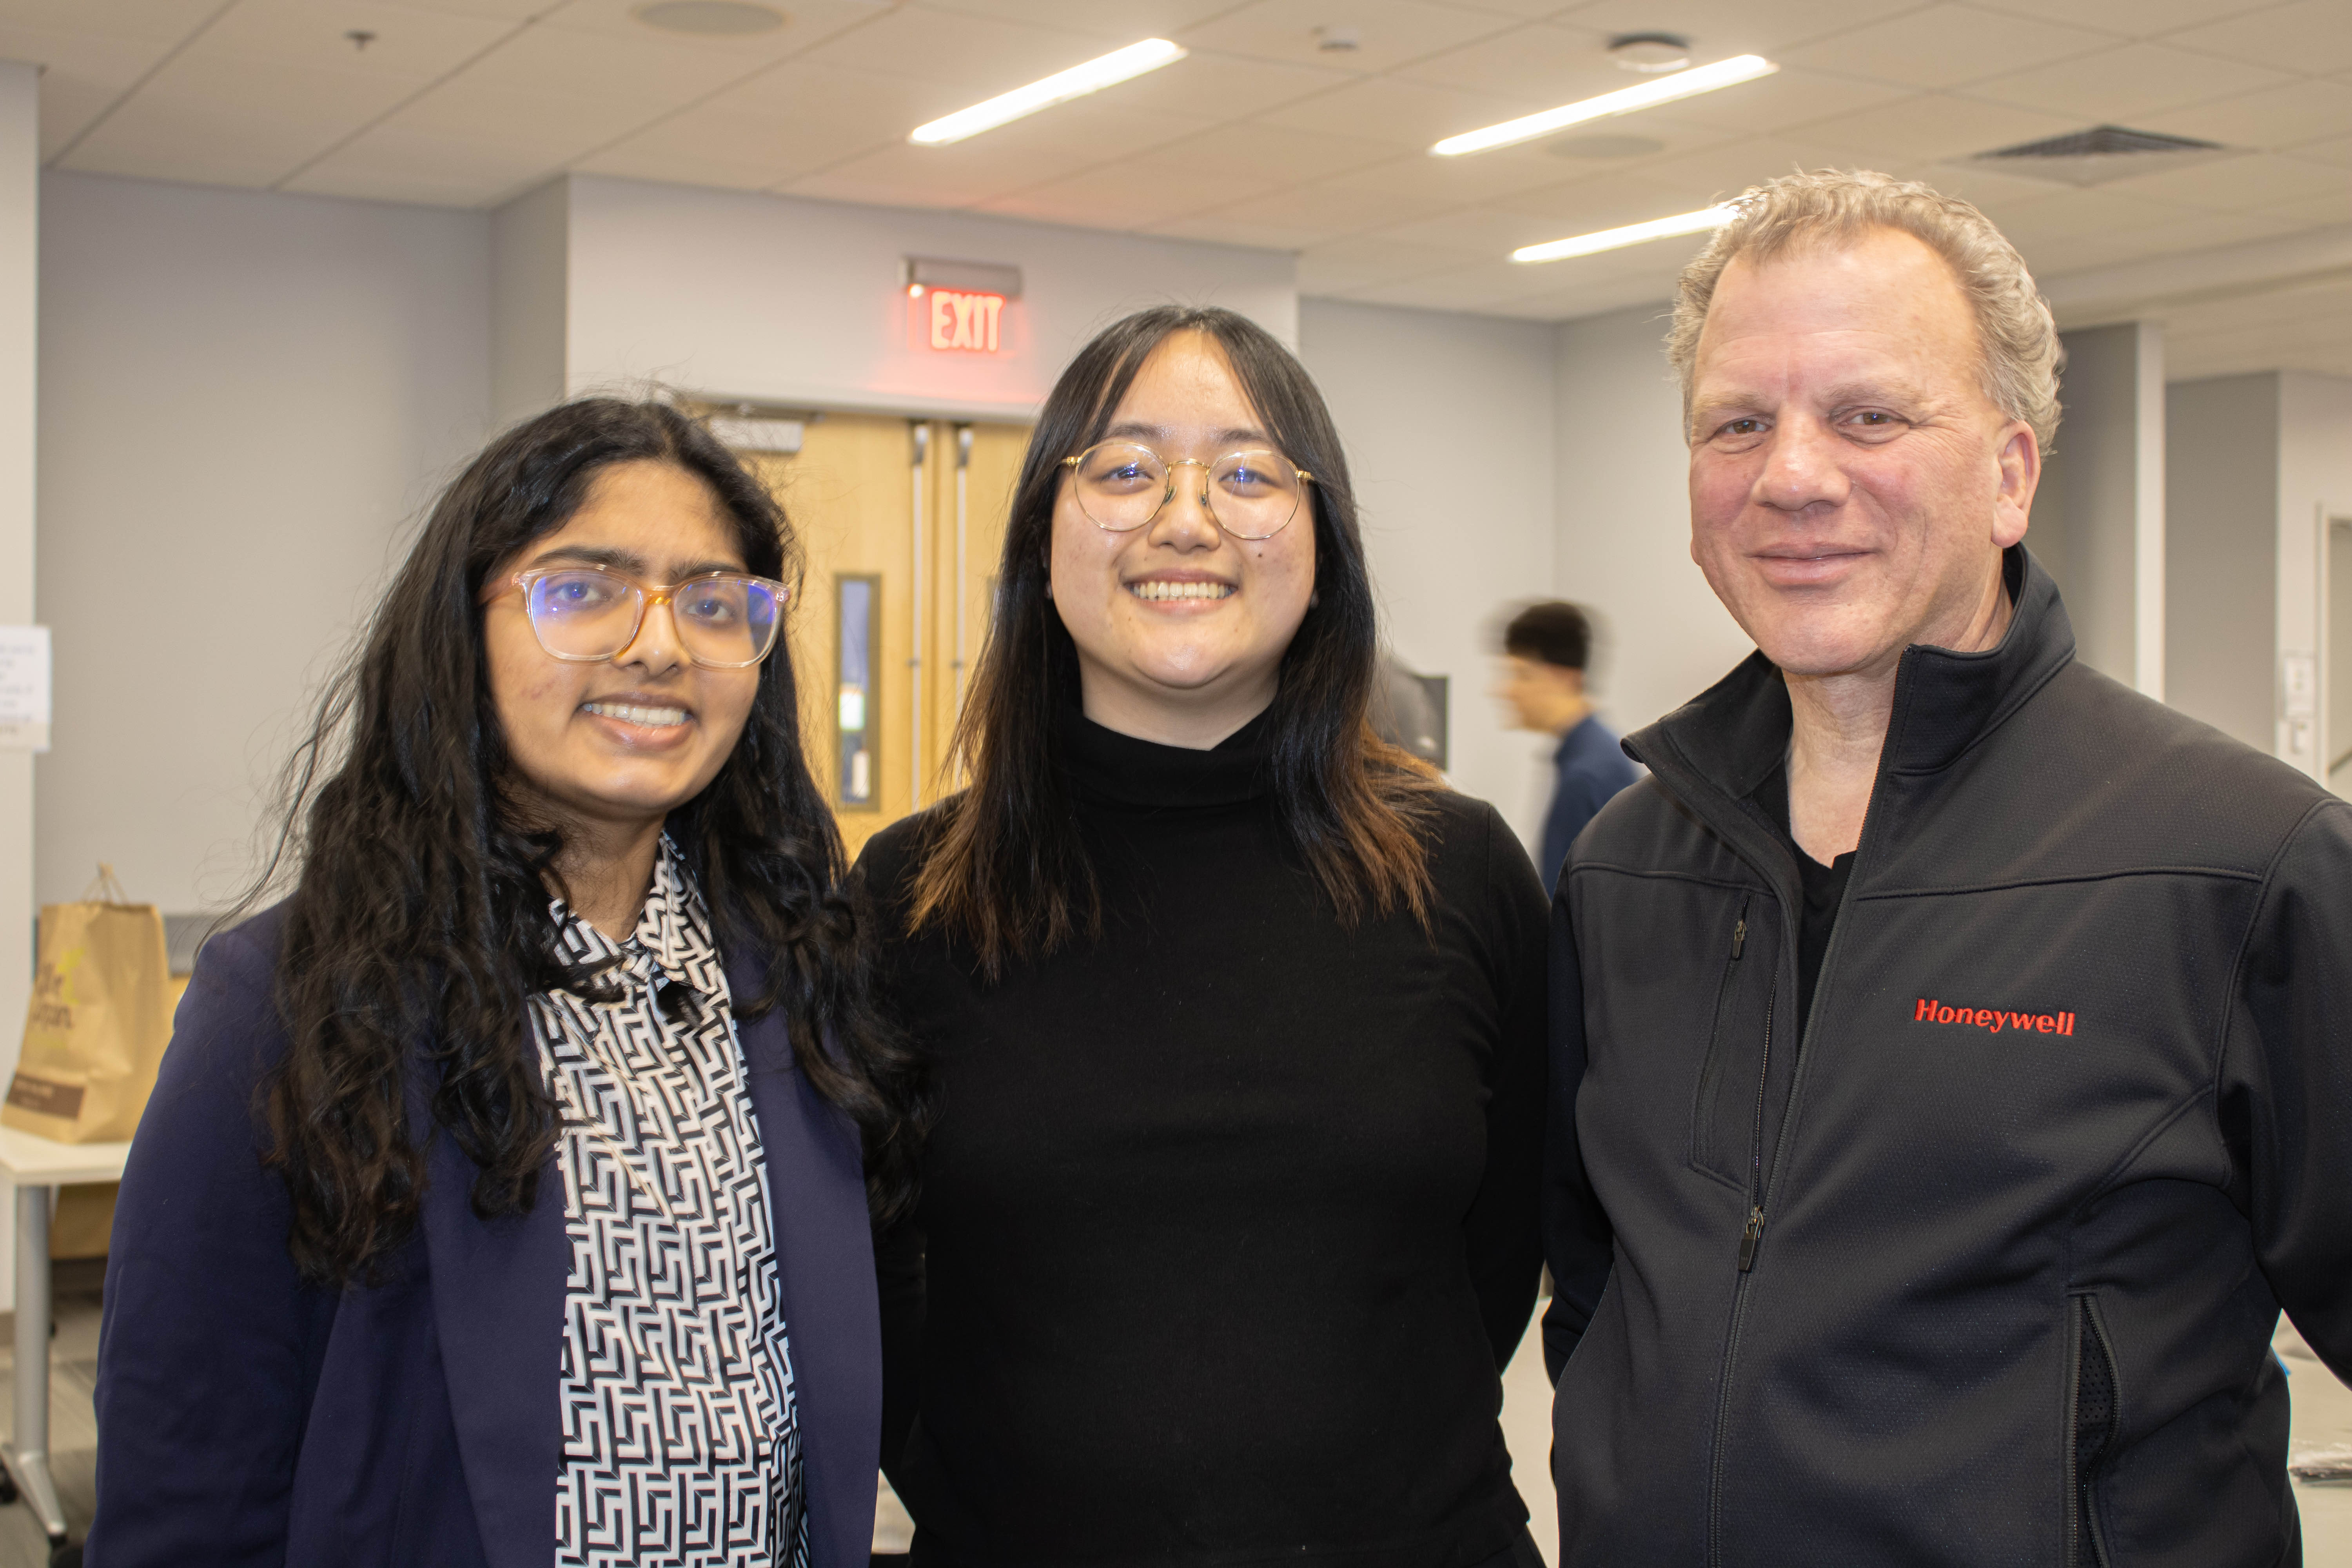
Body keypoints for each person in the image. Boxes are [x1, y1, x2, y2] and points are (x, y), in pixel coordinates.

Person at [1542, 169, 2352, 1566]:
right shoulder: (1626, 870)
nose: (1792, 474)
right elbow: (1602, 1300)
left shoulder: (2235, 863)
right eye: (1737, 422)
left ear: (2009, 471)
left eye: (1869, 415)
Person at [89, 399, 921, 1567]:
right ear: (463, 629)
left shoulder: (798, 978)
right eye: (583, 589)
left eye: (713, 599)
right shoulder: (292, 997)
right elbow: (188, 1473)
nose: (658, 645)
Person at [857, 305, 1549, 1567]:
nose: (1185, 518)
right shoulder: (912, 896)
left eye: (1246, 473)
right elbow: (874, 1280)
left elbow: (1502, 1251)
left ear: (1322, 538)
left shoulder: (1461, 869)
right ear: (1040, 537)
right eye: (1122, 470)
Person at [1495, 601, 1636, 893]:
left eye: (1523, 675)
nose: (1506, 690)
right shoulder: (1591, 757)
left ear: (1566, 677)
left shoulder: (1588, 776)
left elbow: (1569, 908)